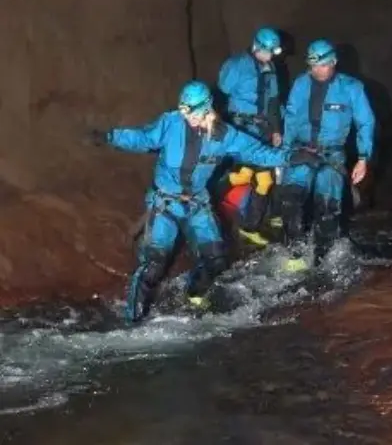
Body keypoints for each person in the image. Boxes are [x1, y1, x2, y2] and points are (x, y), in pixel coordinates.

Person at [87, 80, 318, 323]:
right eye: (184, 110)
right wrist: (109, 136)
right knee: (153, 264)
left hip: (197, 204)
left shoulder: (224, 135)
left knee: (216, 259)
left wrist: (293, 157)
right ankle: (132, 321)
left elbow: (257, 152)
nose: (188, 116)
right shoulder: (170, 123)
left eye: (193, 111)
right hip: (165, 203)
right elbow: (141, 137)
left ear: (207, 107)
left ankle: (193, 292)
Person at [279, 39, 375, 270]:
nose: (317, 70)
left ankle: (322, 261)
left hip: (331, 155)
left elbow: (365, 123)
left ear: (333, 62)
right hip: (301, 151)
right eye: (313, 65)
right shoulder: (301, 84)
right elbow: (291, 119)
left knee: (327, 209)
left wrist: (363, 158)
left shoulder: (351, 88)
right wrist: (283, 155)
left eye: (322, 65)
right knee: (290, 201)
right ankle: (295, 255)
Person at [217, 26, 285, 247]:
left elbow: (273, 102)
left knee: (256, 177)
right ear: (256, 47)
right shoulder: (236, 65)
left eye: (272, 53)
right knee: (253, 177)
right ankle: (209, 196)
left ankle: (248, 225)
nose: (268, 56)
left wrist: (276, 129)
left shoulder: (270, 69)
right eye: (266, 51)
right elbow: (221, 91)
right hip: (241, 127)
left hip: (262, 129)